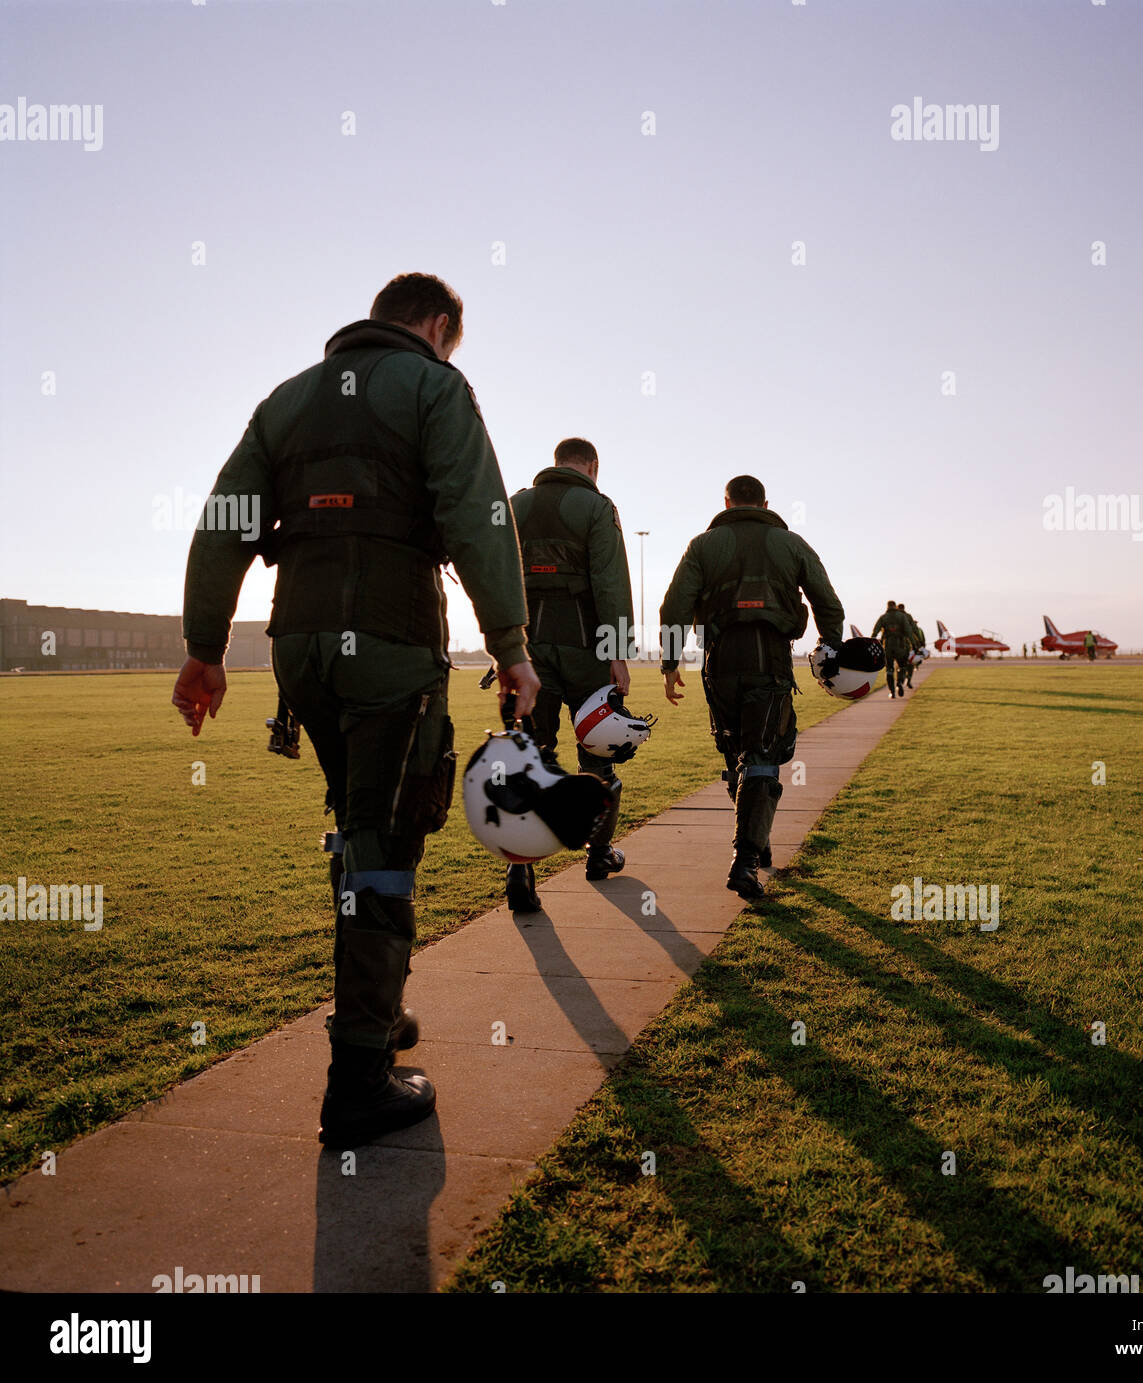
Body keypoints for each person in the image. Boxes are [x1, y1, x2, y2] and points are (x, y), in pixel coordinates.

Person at [171, 272, 540, 1148]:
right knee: (384, 843)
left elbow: (223, 520)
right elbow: (480, 516)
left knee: (356, 825)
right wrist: (511, 644)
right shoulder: (435, 386)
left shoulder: (288, 399)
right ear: (440, 326)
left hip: (297, 649)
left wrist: (204, 646)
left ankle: (380, 1006)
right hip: (390, 642)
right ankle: (360, 1080)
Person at [659, 475, 844, 900]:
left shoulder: (703, 545)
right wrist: (829, 650)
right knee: (762, 754)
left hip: (720, 661)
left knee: (734, 752)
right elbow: (827, 603)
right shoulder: (792, 543)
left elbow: (674, 606)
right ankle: (746, 860)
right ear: (765, 503)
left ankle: (754, 842)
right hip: (770, 659)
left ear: (726, 502)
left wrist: (670, 662)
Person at [504, 437, 637, 911]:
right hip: (587, 650)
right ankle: (599, 853)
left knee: (531, 756)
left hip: (528, 650)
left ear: (556, 462)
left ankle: (520, 867)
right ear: (592, 467)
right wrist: (618, 652)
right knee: (598, 754)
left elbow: (497, 574)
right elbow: (611, 582)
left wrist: (505, 648)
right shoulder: (597, 507)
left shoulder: (516, 503)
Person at [871, 600, 912, 698]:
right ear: (895, 606)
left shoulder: (883, 617)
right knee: (901, 666)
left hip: (888, 646)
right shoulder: (902, 617)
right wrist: (914, 644)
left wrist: (872, 642)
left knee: (889, 669)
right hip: (901, 646)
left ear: (888, 606)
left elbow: (875, 631)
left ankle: (892, 692)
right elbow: (909, 631)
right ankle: (899, 683)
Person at [897, 601, 924, 688]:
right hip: (909, 644)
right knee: (910, 663)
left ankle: (900, 680)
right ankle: (908, 679)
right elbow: (915, 631)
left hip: (897, 644)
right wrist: (918, 642)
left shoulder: (894, 617)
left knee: (899, 664)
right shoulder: (908, 617)